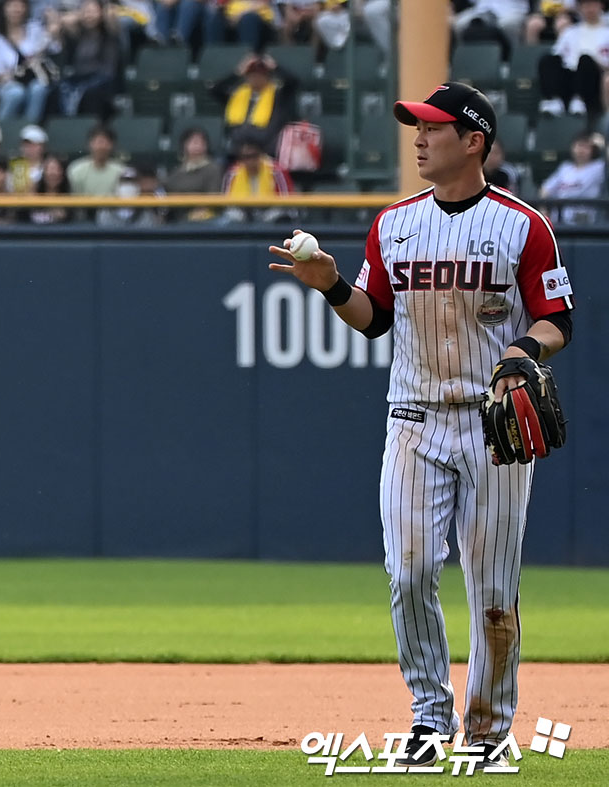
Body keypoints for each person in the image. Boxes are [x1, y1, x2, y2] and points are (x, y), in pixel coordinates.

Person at [268, 81, 574, 771]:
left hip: (493, 424)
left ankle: (490, 729)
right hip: (411, 417)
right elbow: (374, 317)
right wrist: (328, 282)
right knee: (408, 573)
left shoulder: (524, 226)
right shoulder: (394, 223)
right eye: (416, 126)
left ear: (474, 141)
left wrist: (525, 351)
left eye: (434, 127)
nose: (419, 137)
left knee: (494, 589)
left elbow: (557, 318)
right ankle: (429, 719)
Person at [211, 52, 299, 155]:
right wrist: (237, 72)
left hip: (267, 149)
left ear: (268, 76)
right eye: (251, 74)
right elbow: (215, 90)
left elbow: (293, 82)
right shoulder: (237, 95)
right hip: (238, 150)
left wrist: (275, 67)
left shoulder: (279, 95)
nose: (255, 78)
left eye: (260, 74)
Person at [48, 0, 120, 119]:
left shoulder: (109, 33)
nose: (89, 15)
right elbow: (66, 23)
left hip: (102, 79)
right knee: (55, 91)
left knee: (90, 94)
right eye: (86, 12)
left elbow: (111, 17)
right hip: (79, 78)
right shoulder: (79, 34)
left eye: (93, 12)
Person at [537, 0, 609, 117]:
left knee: (585, 59)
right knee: (547, 59)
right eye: (586, 5)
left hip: (593, 78)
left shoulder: (607, 33)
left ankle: (580, 100)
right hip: (569, 76)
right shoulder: (570, 32)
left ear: (600, 6)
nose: (589, 9)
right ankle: (554, 101)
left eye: (593, 5)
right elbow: (557, 54)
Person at [0, 0, 51, 124]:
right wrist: (14, 75)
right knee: (16, 92)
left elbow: (51, 47)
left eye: (20, 5)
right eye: (12, 5)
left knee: (38, 88)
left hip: (33, 77)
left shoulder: (35, 29)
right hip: (7, 82)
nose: (16, 9)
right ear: (4, 9)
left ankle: (28, 129)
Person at [220, 126, 294, 223]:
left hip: (270, 213)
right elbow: (226, 203)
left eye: (254, 156)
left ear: (261, 153)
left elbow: (287, 202)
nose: (250, 161)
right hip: (242, 215)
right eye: (246, 157)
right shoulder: (233, 173)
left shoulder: (276, 171)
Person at [539, 130, 605, 224]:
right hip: (560, 220)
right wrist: (544, 210)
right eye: (579, 145)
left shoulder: (599, 167)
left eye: (586, 147)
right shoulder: (565, 168)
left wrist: (603, 144)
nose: (581, 150)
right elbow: (545, 189)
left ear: (593, 150)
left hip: (584, 222)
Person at [66, 123, 126, 195]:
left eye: (106, 142)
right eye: (99, 142)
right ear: (90, 144)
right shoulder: (76, 170)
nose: (101, 147)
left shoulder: (121, 171)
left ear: (112, 145)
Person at [28, 152, 72, 224]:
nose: (53, 173)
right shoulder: (34, 194)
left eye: (57, 169)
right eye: (49, 169)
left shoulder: (70, 198)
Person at [9, 123, 47, 191]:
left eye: (34, 145)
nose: (30, 148)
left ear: (42, 147)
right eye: (27, 145)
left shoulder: (47, 167)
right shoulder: (16, 166)